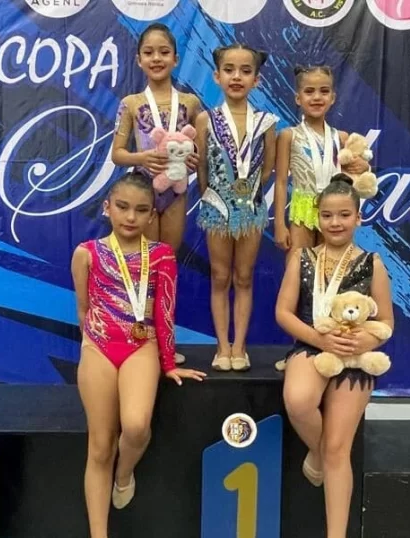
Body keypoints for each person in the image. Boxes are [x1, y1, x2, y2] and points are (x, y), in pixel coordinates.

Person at [71, 173, 206, 538]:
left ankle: (124, 472)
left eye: (141, 210)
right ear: (107, 208)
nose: (131, 217)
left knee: (134, 426)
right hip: (99, 346)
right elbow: (83, 309)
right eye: (123, 207)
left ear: (151, 216)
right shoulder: (86, 253)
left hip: (141, 345)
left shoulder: (161, 255)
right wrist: (93, 344)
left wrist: (167, 362)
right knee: (100, 446)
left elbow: (164, 312)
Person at [275, 174, 394, 538]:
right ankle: (318, 451)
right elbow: (283, 313)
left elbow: (387, 322)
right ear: (317, 217)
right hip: (314, 346)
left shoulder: (372, 263)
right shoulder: (302, 258)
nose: (335, 222)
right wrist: (319, 339)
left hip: (355, 357)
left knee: (339, 450)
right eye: (327, 215)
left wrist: (366, 342)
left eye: (344, 215)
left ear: (358, 217)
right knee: (298, 401)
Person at [111, 22, 203, 364]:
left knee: (166, 264)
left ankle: (166, 342)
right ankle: (140, 339)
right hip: (144, 194)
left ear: (176, 59)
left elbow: (200, 149)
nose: (156, 58)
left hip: (176, 192)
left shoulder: (190, 102)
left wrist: (195, 159)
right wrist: (142, 157)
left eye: (164, 52)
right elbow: (117, 153)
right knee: (143, 265)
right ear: (139, 60)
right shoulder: (131, 103)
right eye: (149, 53)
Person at [194, 43, 279, 372]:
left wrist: (247, 194)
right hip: (216, 208)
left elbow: (268, 168)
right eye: (229, 70)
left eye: (245, 71)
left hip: (251, 210)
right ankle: (222, 346)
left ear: (256, 80)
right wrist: (215, 196)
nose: (236, 77)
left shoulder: (266, 122)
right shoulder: (205, 120)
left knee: (244, 278)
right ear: (217, 76)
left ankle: (239, 347)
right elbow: (202, 167)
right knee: (220, 277)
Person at [273, 65, 369, 253]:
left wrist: (364, 166)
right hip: (303, 209)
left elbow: (356, 172)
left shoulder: (341, 137)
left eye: (324, 91)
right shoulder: (288, 136)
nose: (317, 97)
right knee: (299, 263)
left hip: (334, 210)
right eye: (309, 91)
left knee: (332, 264)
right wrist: (279, 225)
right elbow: (281, 181)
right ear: (298, 98)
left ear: (332, 98)